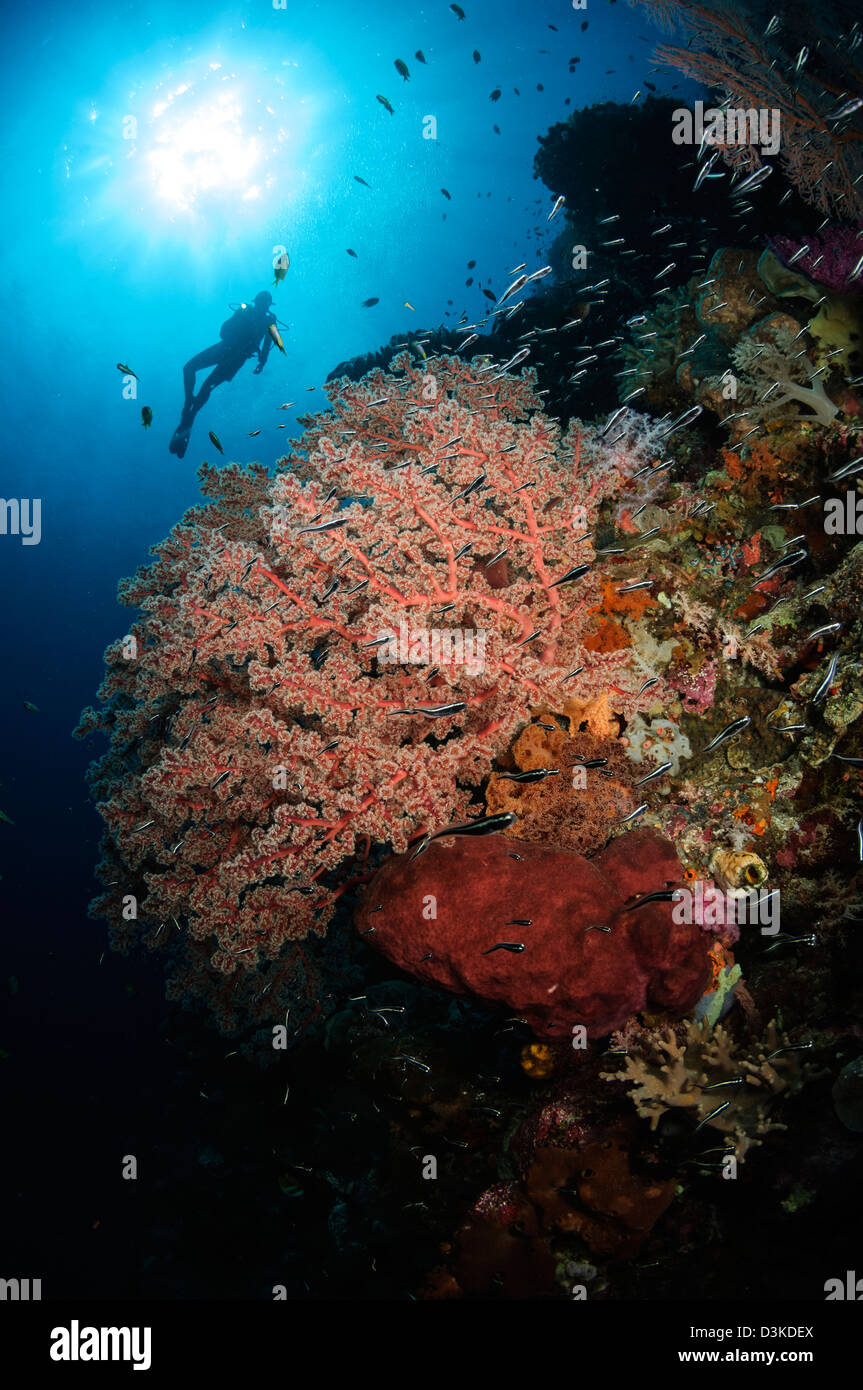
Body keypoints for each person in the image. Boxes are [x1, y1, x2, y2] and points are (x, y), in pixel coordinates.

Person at [170, 292, 281, 457]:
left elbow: (266, 344)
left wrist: (262, 362)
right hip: (227, 350)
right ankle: (189, 406)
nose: (262, 306)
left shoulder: (267, 321)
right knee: (192, 371)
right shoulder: (250, 313)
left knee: (204, 383)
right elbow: (225, 330)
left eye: (264, 303)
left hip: (232, 355)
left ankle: (190, 414)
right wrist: (261, 362)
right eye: (261, 303)